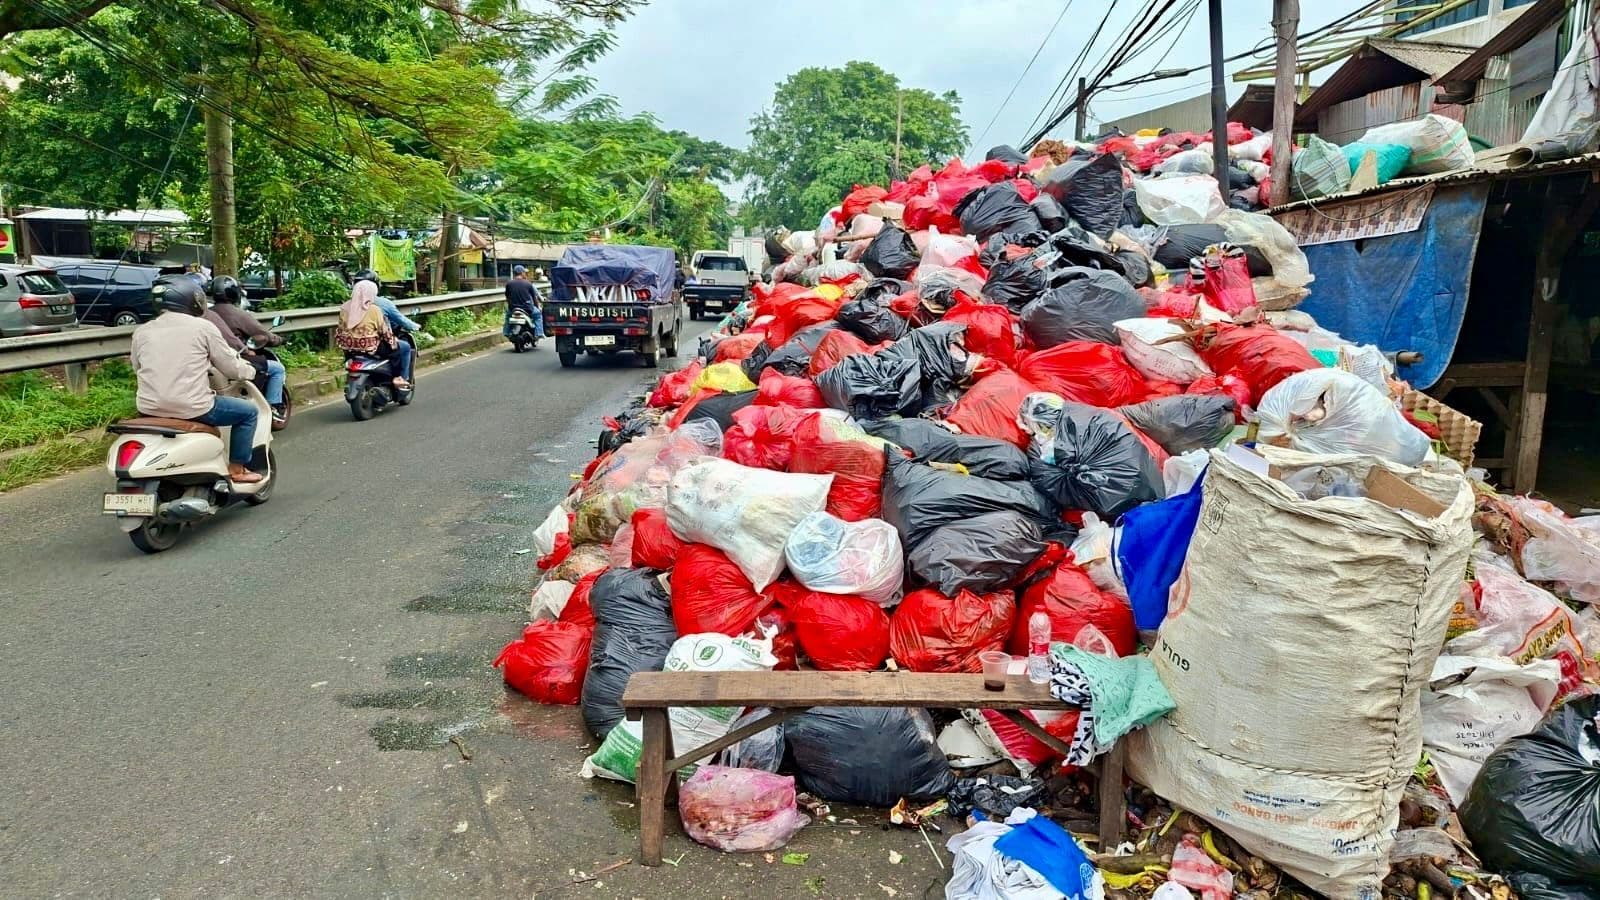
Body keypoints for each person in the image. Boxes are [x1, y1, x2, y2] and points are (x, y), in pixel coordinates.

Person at [128, 278, 264, 484]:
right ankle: (237, 469)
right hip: (193, 407)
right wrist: (250, 370)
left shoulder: (142, 331)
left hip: (149, 408)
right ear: (190, 300)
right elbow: (230, 366)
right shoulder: (203, 327)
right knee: (248, 412)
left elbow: (137, 368)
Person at [208, 275, 289, 425]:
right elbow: (261, 334)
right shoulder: (238, 314)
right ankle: (273, 407)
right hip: (237, 357)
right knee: (277, 369)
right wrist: (278, 340)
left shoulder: (208, 314)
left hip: (212, 361)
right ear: (235, 293)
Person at [335, 280, 411, 389]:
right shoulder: (374, 310)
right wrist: (393, 341)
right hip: (371, 349)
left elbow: (340, 329)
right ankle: (397, 378)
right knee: (402, 347)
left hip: (349, 349)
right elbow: (384, 332)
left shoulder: (344, 308)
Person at [352, 269, 428, 339]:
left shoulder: (348, 305)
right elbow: (401, 320)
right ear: (375, 286)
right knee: (405, 348)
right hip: (377, 343)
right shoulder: (383, 303)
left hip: (352, 344)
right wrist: (417, 327)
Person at [503, 264, 543, 343]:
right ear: (522, 273)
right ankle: (538, 333)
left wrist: (510, 305)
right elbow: (534, 298)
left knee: (508, 317)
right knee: (538, 316)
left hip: (513, 308)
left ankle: (506, 332)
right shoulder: (528, 283)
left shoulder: (509, 284)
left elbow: (507, 296)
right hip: (527, 308)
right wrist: (537, 307)